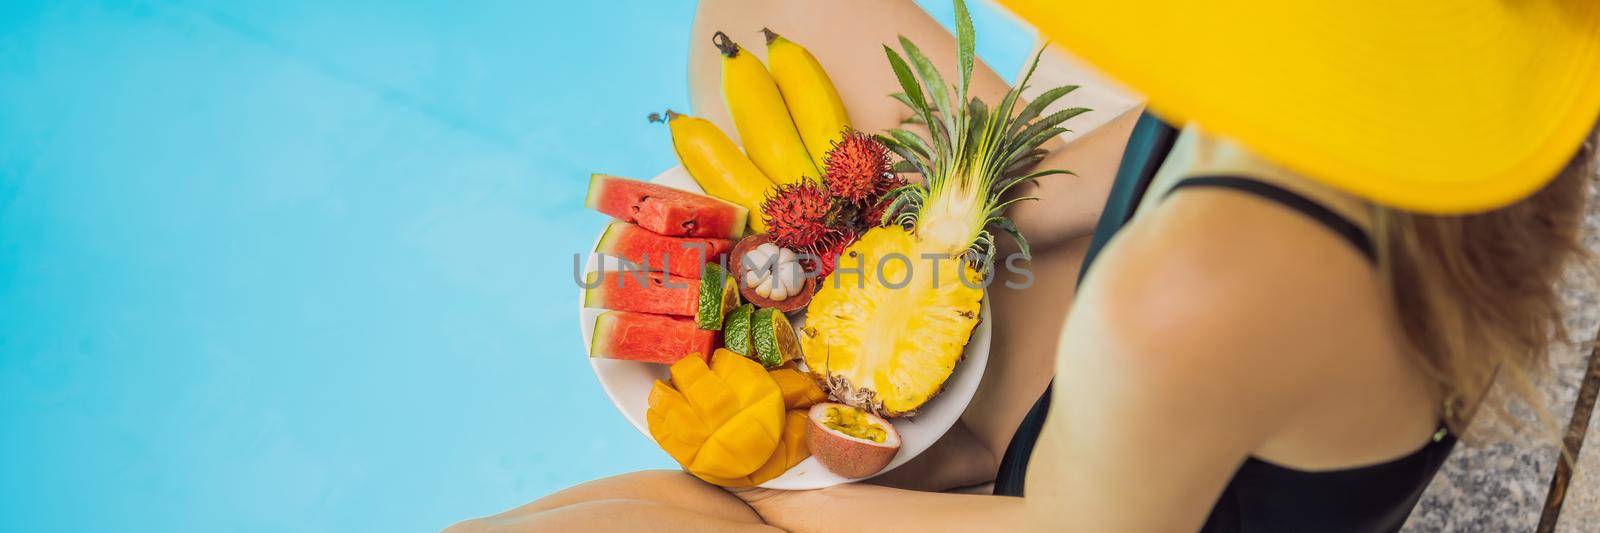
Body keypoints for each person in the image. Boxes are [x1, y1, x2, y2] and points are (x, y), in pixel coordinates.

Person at [447, 1, 1600, 531]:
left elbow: (1069, 525)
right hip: (1151, 363)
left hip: (1082, 487)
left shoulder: (1193, 295)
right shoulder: (1424, 78)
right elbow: (1167, 137)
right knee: (757, 11)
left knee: (633, 518)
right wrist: (960, 223)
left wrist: (761, 472)